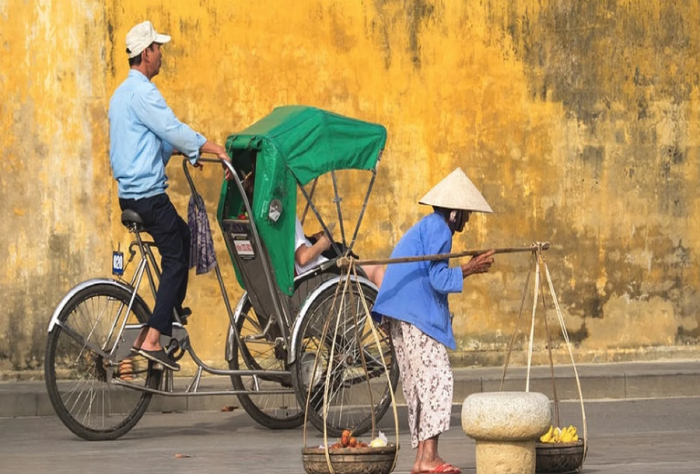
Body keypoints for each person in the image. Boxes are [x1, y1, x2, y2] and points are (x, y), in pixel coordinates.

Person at [109, 20, 231, 371]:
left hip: (130, 195)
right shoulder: (144, 92)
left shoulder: (122, 94)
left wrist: (187, 152)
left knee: (182, 236)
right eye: (158, 48)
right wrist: (211, 147)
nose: (161, 54)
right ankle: (152, 338)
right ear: (146, 53)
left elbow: (154, 140)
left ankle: (164, 320)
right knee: (177, 258)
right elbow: (171, 128)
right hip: (148, 196)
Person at [371, 168, 496, 474]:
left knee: (418, 386)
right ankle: (428, 458)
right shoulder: (440, 230)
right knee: (438, 381)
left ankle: (423, 459)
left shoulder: (426, 227)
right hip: (414, 315)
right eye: (464, 214)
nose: (466, 220)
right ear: (454, 213)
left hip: (398, 313)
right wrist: (471, 268)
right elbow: (438, 279)